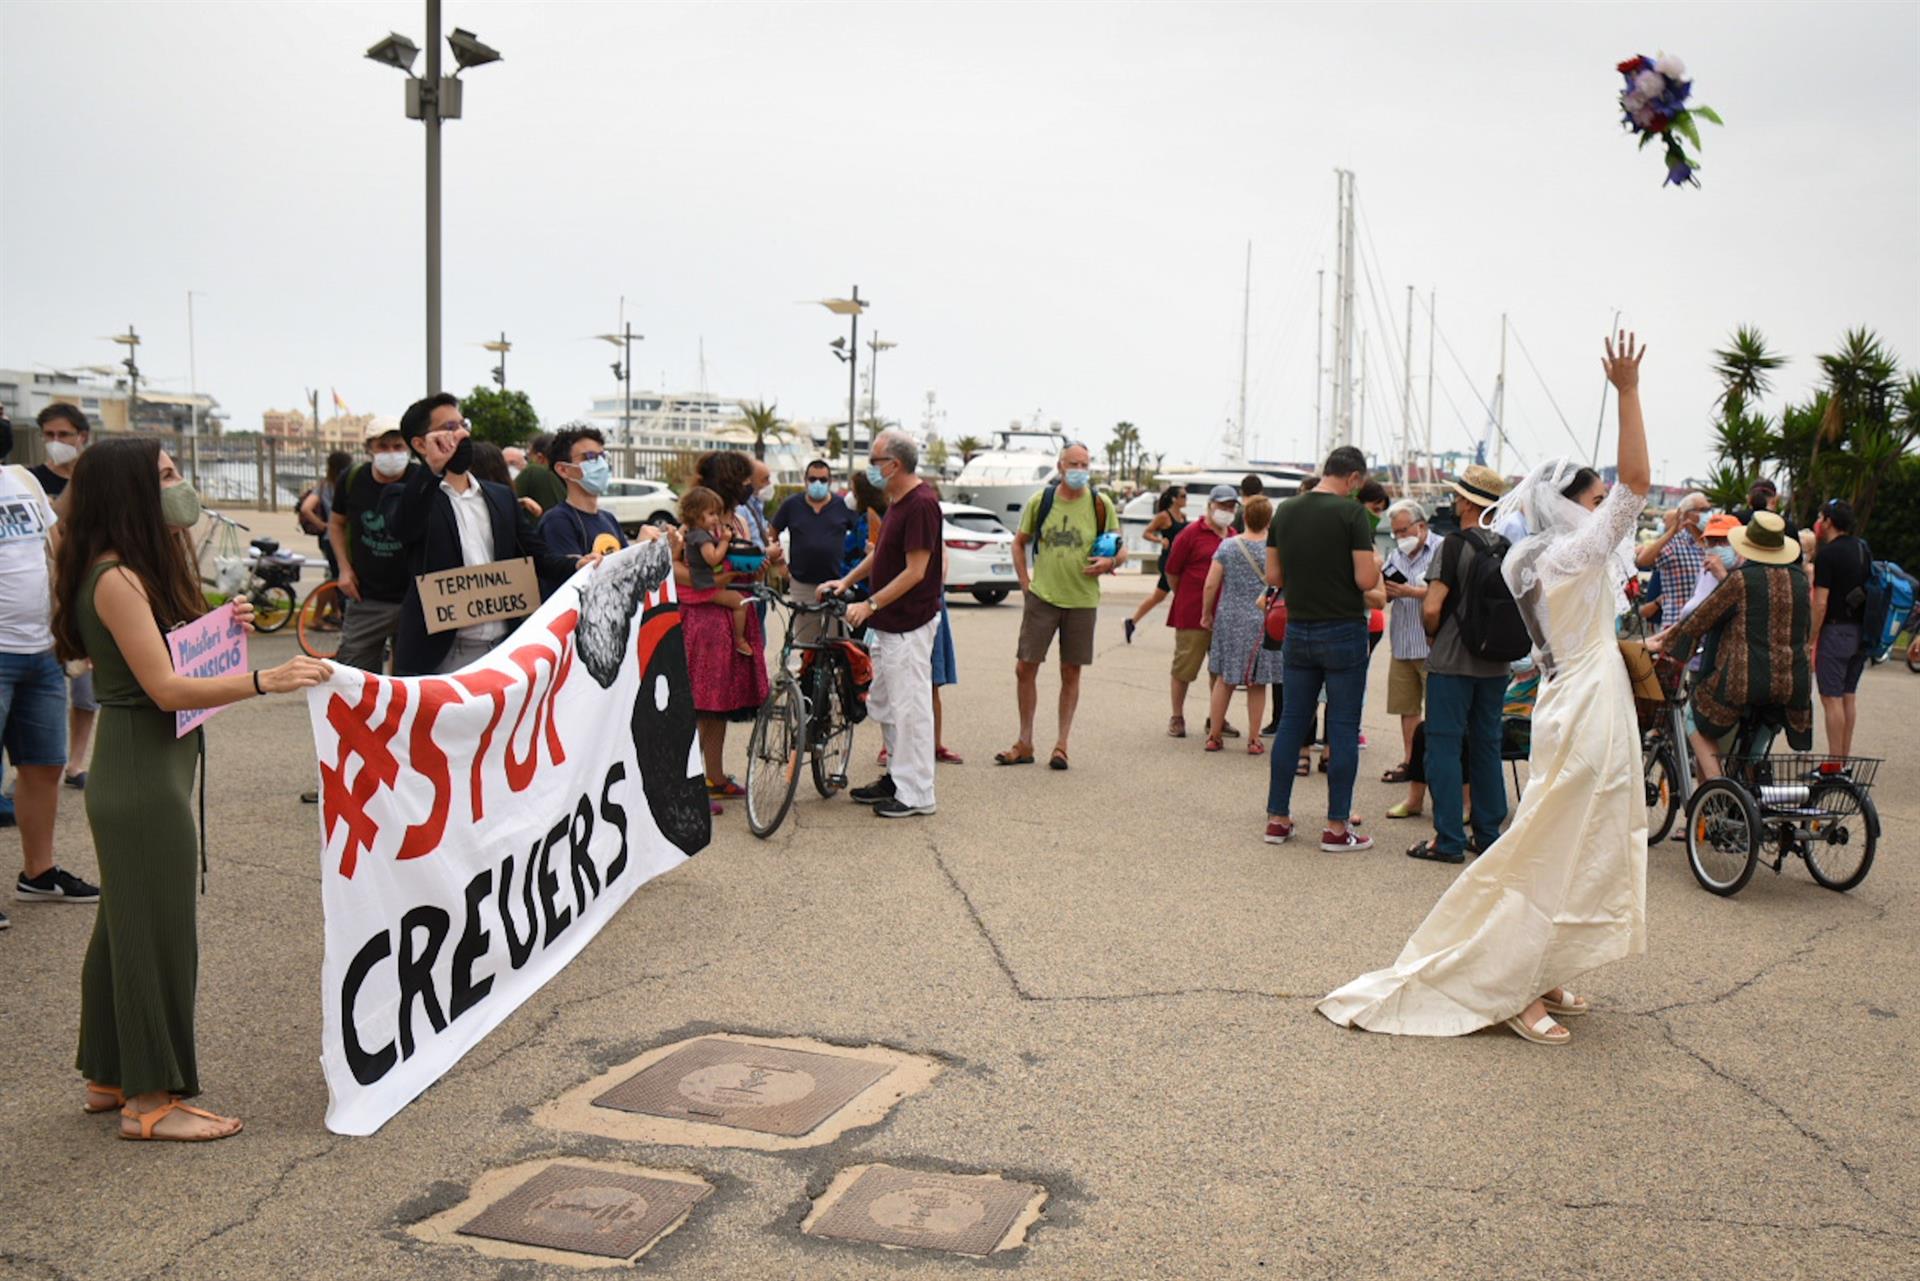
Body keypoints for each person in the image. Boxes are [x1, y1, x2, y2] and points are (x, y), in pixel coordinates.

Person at [1319, 331, 1654, 1048]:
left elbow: (1541, 650)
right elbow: (1637, 488)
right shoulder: (1564, 554)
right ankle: (1514, 981)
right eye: (1591, 498)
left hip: (1582, 697)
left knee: (1582, 840)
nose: (1604, 508)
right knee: (1551, 844)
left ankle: (1544, 964)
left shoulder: (1539, 557)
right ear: (1566, 505)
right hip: (1587, 703)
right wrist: (1627, 393)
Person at [52, 436, 331, 1139]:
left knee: (124, 928)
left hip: (148, 766)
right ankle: (152, 1102)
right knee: (159, 936)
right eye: (168, 474)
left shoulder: (129, 568)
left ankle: (108, 1073)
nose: (181, 484)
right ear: (132, 493)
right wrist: (268, 677)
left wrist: (216, 629)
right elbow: (165, 687)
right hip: (141, 772)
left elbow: (156, 655)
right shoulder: (116, 576)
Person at [383, 394, 595, 677]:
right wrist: (431, 471)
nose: (461, 434)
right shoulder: (407, 495)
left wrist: (576, 564)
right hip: (438, 656)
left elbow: (538, 557)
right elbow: (404, 528)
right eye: (449, 428)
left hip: (501, 651)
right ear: (421, 444)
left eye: (462, 424)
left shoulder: (500, 497)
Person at [0, 450, 99, 932]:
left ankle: (38, 874)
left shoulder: (22, 479)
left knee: (44, 766)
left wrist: (73, 629)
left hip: (41, 651)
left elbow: (56, 547)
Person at [1262, 446, 1379, 851]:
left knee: (1293, 721)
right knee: (1343, 725)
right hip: (1344, 628)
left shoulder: (1286, 511)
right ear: (1353, 479)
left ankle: (1278, 818)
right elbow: (1366, 580)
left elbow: (1274, 574)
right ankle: (1335, 826)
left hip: (1299, 628)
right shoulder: (1352, 514)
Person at [822, 432, 944, 818]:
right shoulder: (897, 503)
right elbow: (881, 556)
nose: (870, 469)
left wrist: (870, 604)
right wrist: (846, 582)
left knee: (911, 708)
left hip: (909, 623)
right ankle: (897, 776)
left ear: (893, 464)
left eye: (875, 461)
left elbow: (915, 572)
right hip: (890, 625)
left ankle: (917, 793)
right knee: (888, 705)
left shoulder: (922, 505)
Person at [1650, 510, 1811, 781]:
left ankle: (1718, 793)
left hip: (1744, 679)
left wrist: (1669, 646)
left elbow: (1700, 619)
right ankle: (1747, 798)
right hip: (1792, 683)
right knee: (1754, 746)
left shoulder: (1741, 580)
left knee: (1694, 719)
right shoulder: (1799, 581)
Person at [1405, 465, 1513, 864]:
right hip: (1495, 662)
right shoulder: (1505, 546)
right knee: (1486, 746)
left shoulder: (1453, 545)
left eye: (1457, 496)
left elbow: (1432, 607)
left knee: (1444, 748)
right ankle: (1488, 834)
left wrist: (1430, 631)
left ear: (1467, 502)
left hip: (1453, 660)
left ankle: (1447, 839)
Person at [999, 441, 1125, 771]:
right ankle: (1025, 742)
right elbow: (1019, 542)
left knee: (1071, 671)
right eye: (1074, 464)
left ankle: (1062, 744)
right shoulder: (1042, 501)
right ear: (1060, 466)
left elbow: (1121, 549)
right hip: (1043, 598)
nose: (1080, 471)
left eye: (1085, 465)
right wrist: (1026, 586)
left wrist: (1110, 560)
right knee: (1025, 667)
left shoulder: (1101, 504)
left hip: (1082, 600)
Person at [678, 450, 769, 805]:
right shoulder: (695, 525)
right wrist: (717, 585)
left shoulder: (733, 519)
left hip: (734, 612)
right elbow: (677, 569)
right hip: (707, 619)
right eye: (745, 479)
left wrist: (757, 566)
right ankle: (683, 785)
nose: (751, 486)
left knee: (719, 705)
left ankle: (713, 776)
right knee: (700, 704)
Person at [327, 418, 415, 675]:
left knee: (410, 680)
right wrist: (344, 569)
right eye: (383, 446)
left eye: (398, 446)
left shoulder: (421, 479)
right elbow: (335, 525)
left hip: (413, 598)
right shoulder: (353, 479)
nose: (391, 453)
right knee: (354, 674)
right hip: (365, 596)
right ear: (370, 449)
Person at [1201, 494, 1281, 754]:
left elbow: (1211, 583)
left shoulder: (1227, 546)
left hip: (1230, 616)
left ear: (1243, 517)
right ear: (1269, 519)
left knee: (1225, 678)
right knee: (1257, 682)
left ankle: (1214, 735)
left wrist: (1206, 613)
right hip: (1262, 618)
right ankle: (1254, 739)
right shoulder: (1274, 548)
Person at [1380, 499, 1442, 810]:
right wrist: (1385, 590)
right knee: (1407, 708)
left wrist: (1410, 592)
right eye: (1394, 531)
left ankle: (1432, 764)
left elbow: (1445, 592)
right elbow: (1384, 593)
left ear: (1420, 525)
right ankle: (1410, 760)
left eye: (1403, 530)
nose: (1399, 536)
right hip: (1402, 642)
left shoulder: (1442, 549)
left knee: (1436, 711)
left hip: (1431, 644)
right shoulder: (1395, 554)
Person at [1162, 486, 1231, 736]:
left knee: (1220, 670)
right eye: (1223, 505)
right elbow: (1172, 571)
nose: (1227, 511)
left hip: (1225, 615)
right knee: (1185, 667)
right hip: (1192, 613)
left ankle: (1216, 718)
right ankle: (1177, 716)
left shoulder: (1232, 535)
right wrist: (1186, 595)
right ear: (1210, 505)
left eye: (1231, 506)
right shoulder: (1191, 533)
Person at [773, 458, 861, 646]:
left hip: (835, 585)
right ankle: (808, 674)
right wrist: (779, 563)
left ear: (830, 482)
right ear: (805, 480)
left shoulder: (842, 505)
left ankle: (834, 674)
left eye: (822, 480)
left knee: (836, 642)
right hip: (802, 583)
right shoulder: (792, 505)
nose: (817, 484)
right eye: (812, 479)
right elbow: (772, 533)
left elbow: (861, 534)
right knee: (807, 642)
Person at [1809, 498, 1872, 758]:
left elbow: (1821, 603)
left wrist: (1812, 638)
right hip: (1861, 631)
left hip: (1836, 632)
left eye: (1822, 518)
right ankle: (1843, 760)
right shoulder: (1862, 548)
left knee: (1830, 698)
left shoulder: (1828, 554)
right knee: (1848, 696)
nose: (1820, 523)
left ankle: (1833, 766)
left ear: (1829, 522)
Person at [535, 425, 628, 597]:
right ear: (563, 469)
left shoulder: (608, 519)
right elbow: (575, 581)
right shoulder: (557, 521)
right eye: (590, 457)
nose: (600, 464)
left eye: (602, 456)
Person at [679, 487, 753, 656]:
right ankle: (739, 640)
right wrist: (725, 541)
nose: (716, 519)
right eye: (711, 514)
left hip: (705, 580)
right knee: (741, 603)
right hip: (706, 584)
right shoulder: (701, 537)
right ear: (696, 514)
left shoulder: (695, 533)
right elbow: (713, 558)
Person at [1634, 491, 1710, 628]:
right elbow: (1642, 561)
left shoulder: (1712, 544)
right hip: (1676, 628)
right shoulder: (1675, 543)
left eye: (1709, 509)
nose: (1708, 514)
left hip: (1705, 628)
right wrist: (1672, 532)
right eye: (1703, 510)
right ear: (1686, 514)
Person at [1126, 485, 1188, 643]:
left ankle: (1131, 622)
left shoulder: (1183, 516)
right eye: (1183, 496)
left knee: (1158, 597)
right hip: (1168, 560)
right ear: (1174, 498)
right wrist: (1160, 540)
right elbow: (1146, 532)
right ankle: (1185, 629)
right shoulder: (1164, 516)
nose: (1185, 499)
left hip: (1180, 560)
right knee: (1181, 596)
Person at [299, 451, 352, 579]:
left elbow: (305, 508)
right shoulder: (351, 483)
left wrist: (323, 525)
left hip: (329, 539)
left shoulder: (324, 485)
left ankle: (335, 598)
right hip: (348, 537)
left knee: (333, 576)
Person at [513, 433, 569, 515]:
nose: (527, 462)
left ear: (540, 458)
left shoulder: (533, 471)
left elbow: (505, 503)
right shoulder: (571, 480)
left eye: (528, 457)